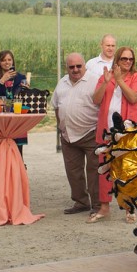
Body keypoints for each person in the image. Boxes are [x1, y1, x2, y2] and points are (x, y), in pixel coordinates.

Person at [91, 46, 137, 224]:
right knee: (105, 169)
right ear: (117, 60)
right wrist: (107, 82)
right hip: (107, 130)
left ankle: (129, 208)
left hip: (127, 132)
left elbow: (134, 98)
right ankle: (104, 207)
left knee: (127, 170)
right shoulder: (105, 76)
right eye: (124, 59)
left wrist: (120, 80)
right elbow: (96, 100)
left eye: (130, 59)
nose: (128, 62)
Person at [51, 54, 100, 215]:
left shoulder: (94, 80)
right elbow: (56, 105)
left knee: (94, 173)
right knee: (73, 172)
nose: (75, 70)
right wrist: (61, 126)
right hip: (68, 135)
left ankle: (98, 205)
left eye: (79, 66)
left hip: (90, 132)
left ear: (84, 66)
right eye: (71, 67)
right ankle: (81, 202)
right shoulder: (62, 82)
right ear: (67, 68)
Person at [0, 50, 29, 155]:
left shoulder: (20, 77)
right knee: (0, 151)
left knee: (17, 151)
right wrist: (2, 81)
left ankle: (17, 169)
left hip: (16, 117)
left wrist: (26, 90)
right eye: (3, 60)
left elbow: (22, 98)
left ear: (13, 61)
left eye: (9, 59)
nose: (7, 62)